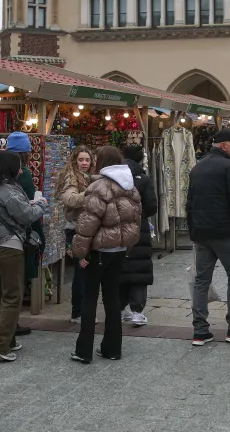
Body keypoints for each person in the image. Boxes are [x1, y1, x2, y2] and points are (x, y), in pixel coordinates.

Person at [70, 146, 141, 364]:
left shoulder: (98, 186)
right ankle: (112, 348)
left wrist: (80, 252)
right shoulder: (130, 186)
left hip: (99, 251)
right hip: (118, 251)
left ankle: (84, 350)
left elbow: (88, 223)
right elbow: (135, 219)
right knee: (112, 298)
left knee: (90, 298)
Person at [186, 128, 230, 346]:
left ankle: (200, 330)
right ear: (224, 145)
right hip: (226, 233)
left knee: (201, 280)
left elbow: (189, 203)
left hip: (202, 234)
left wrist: (194, 230)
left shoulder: (197, 168)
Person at [0, 150, 46, 362]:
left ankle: (8, 339)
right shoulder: (8, 190)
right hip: (8, 247)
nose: (20, 169)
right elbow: (26, 216)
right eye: (18, 165)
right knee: (12, 296)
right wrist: (41, 205)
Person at [119, 144, 158, 326]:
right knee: (139, 270)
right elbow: (151, 206)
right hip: (138, 229)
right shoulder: (143, 178)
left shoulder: (113, 177)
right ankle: (137, 312)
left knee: (120, 268)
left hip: (116, 228)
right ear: (140, 158)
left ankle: (119, 308)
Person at [56, 145, 93, 325]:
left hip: (87, 229)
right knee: (81, 271)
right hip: (75, 229)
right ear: (74, 160)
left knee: (86, 271)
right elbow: (70, 200)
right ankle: (77, 312)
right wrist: (90, 193)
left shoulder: (89, 176)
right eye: (81, 159)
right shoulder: (70, 177)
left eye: (87, 160)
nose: (84, 163)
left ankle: (82, 311)